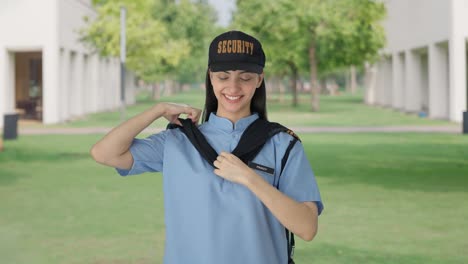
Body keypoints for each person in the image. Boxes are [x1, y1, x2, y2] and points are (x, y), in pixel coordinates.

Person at [90, 30, 323, 264]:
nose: (233, 87)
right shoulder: (178, 142)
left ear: (259, 79)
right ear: (210, 77)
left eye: (244, 77)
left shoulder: (282, 144)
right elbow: (104, 153)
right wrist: (158, 110)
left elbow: (307, 227)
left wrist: (249, 178)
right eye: (223, 77)